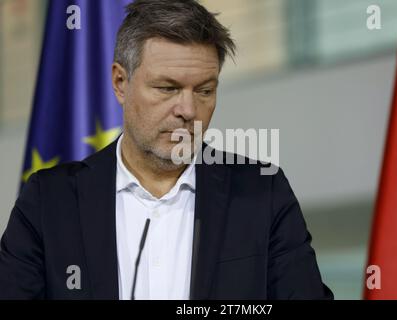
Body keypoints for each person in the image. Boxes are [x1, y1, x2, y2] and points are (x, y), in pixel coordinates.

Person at [0, 0, 332, 300]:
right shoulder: (48, 200)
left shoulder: (263, 192)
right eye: (167, 88)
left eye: (204, 90)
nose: (188, 109)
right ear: (120, 82)